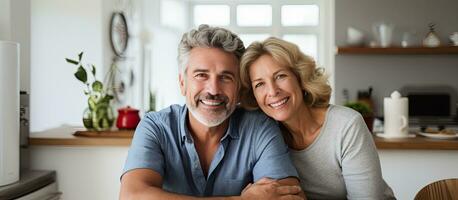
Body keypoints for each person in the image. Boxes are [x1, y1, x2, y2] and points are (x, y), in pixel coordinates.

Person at [120, 25, 304, 200]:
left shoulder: (260, 128)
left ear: (239, 88)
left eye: (225, 77)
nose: (214, 89)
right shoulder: (156, 127)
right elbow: (131, 196)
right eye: (201, 75)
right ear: (182, 83)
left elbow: (290, 196)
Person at [239, 37, 396, 200]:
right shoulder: (264, 137)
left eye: (280, 76)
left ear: (300, 77)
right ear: (253, 95)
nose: (272, 91)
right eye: (259, 84)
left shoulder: (346, 125)